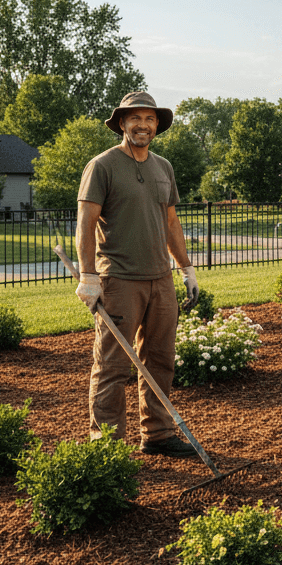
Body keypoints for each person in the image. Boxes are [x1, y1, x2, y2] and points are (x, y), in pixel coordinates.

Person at [75, 91, 200, 458]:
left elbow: (171, 221)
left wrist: (186, 268)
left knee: (160, 359)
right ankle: (107, 445)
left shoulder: (163, 166)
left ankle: (157, 435)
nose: (142, 125)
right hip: (119, 280)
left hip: (160, 279)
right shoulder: (102, 165)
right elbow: (85, 223)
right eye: (135, 119)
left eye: (149, 119)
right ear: (122, 124)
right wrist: (88, 276)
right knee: (113, 364)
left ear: (157, 125)